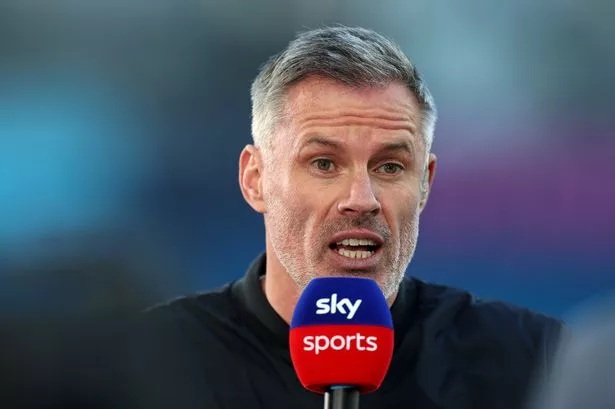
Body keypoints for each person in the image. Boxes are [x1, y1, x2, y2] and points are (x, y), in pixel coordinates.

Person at [143, 26, 565, 409]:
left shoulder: (537, 363)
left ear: (425, 184)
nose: (362, 200)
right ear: (255, 180)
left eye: (390, 167)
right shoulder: (144, 365)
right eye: (324, 163)